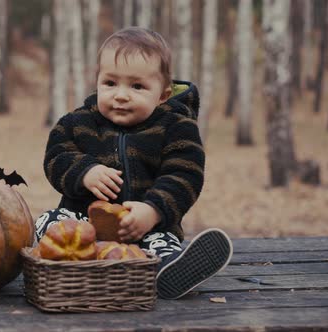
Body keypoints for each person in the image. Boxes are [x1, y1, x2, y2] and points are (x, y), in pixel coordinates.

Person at [35, 27, 233, 300]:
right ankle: (71, 266)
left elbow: (185, 175)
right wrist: (84, 171)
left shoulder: (176, 128)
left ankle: (170, 270)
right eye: (110, 83)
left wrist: (153, 210)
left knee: (161, 245)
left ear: (163, 95)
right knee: (51, 222)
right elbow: (55, 156)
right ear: (98, 82)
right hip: (84, 228)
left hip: (148, 229)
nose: (121, 95)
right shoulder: (78, 123)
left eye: (137, 86)